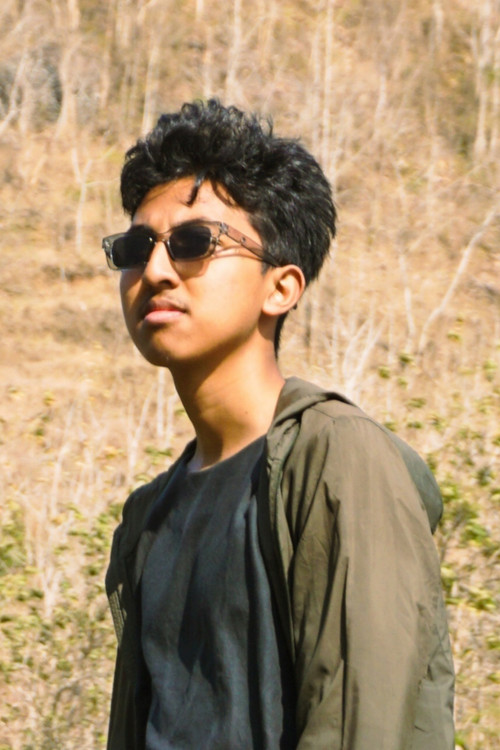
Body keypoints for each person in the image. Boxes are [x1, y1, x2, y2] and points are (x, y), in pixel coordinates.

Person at [103, 99, 455, 750]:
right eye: (135, 247)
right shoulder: (147, 518)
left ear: (281, 288)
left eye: (193, 243)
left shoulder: (337, 460)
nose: (154, 270)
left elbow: (360, 725)